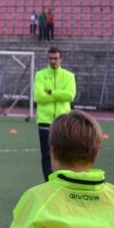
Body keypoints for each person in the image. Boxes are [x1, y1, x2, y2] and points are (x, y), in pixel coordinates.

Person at [33, 47, 76, 181]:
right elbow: (38, 97)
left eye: (55, 58)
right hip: (45, 121)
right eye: (50, 58)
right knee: (46, 155)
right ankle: (49, 183)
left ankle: (64, 181)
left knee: (65, 153)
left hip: (63, 121)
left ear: (61, 59)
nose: (53, 61)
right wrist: (59, 94)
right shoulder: (40, 75)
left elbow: (70, 96)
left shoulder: (69, 76)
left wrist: (51, 92)